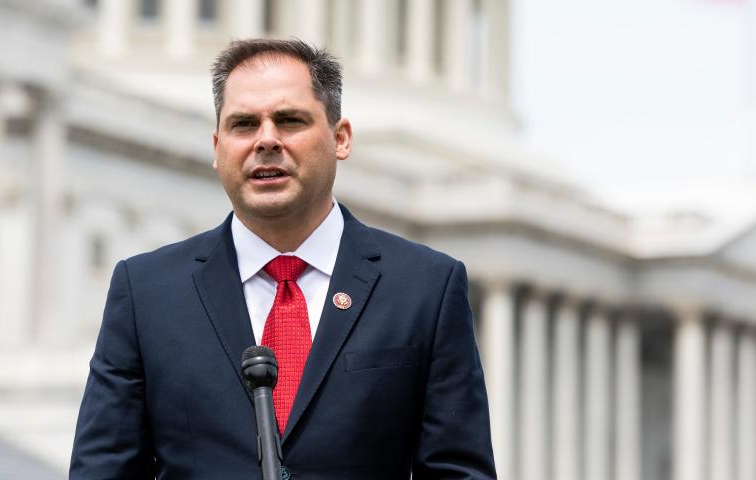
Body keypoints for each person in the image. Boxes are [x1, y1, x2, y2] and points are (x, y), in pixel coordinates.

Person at [69, 38, 496, 480]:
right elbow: (103, 470)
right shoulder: (147, 293)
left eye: (290, 121)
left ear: (340, 138)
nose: (266, 140)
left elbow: (458, 472)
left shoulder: (425, 287)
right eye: (244, 124)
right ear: (217, 147)